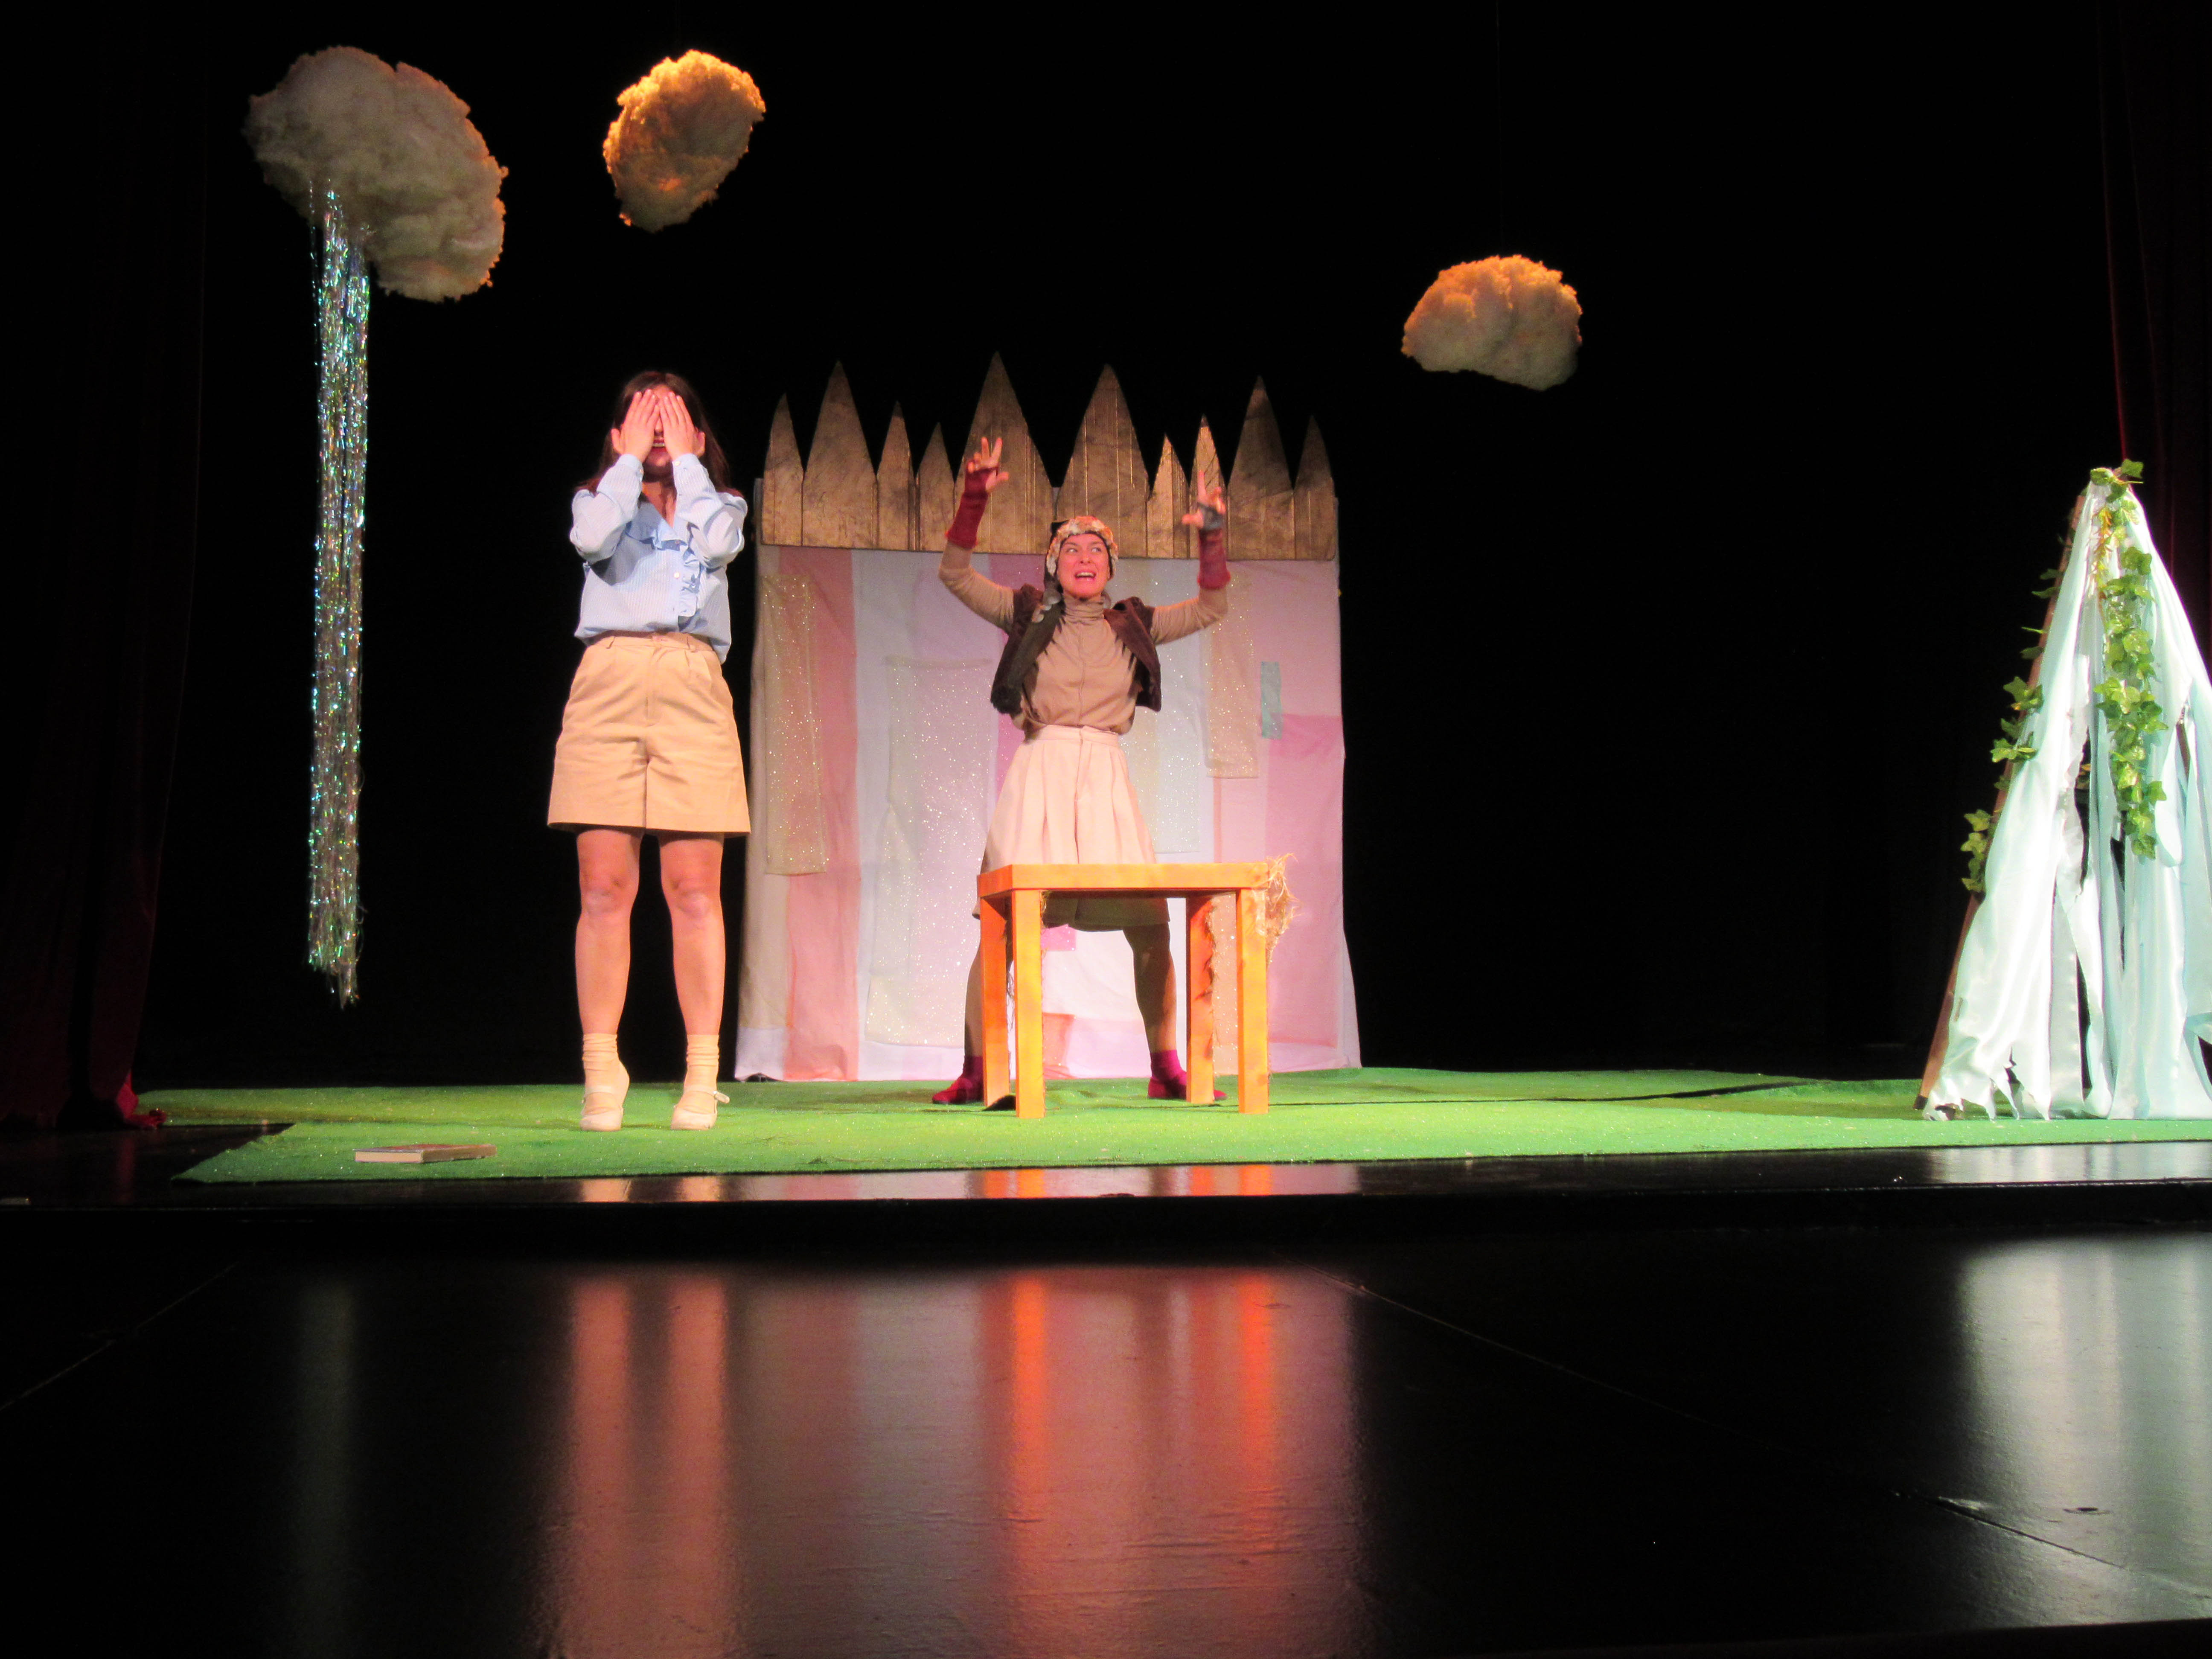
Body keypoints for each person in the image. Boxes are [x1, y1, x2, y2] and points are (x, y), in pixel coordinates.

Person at [932, 436, 1231, 1105]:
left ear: (1111, 566)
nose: (1086, 558)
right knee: (1003, 927)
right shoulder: (1026, 613)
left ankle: (1165, 1068)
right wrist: (974, 498)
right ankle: (979, 1068)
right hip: (1039, 771)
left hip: (1104, 780)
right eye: (1072, 549)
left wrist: (1212, 538)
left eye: (1097, 549)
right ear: (1053, 563)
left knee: (1150, 927)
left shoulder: (1135, 626)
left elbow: (1213, 607)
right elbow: (955, 575)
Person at [549, 372, 749, 1131]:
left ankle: (702, 1072)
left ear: (699, 435)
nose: (659, 429)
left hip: (692, 681)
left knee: (694, 890)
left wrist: (687, 465)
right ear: (619, 432)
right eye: (644, 417)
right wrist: (627, 461)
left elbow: (720, 545)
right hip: (609, 679)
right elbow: (590, 540)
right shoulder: (598, 499)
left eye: (674, 419)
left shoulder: (720, 503)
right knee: (604, 888)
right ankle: (603, 1067)